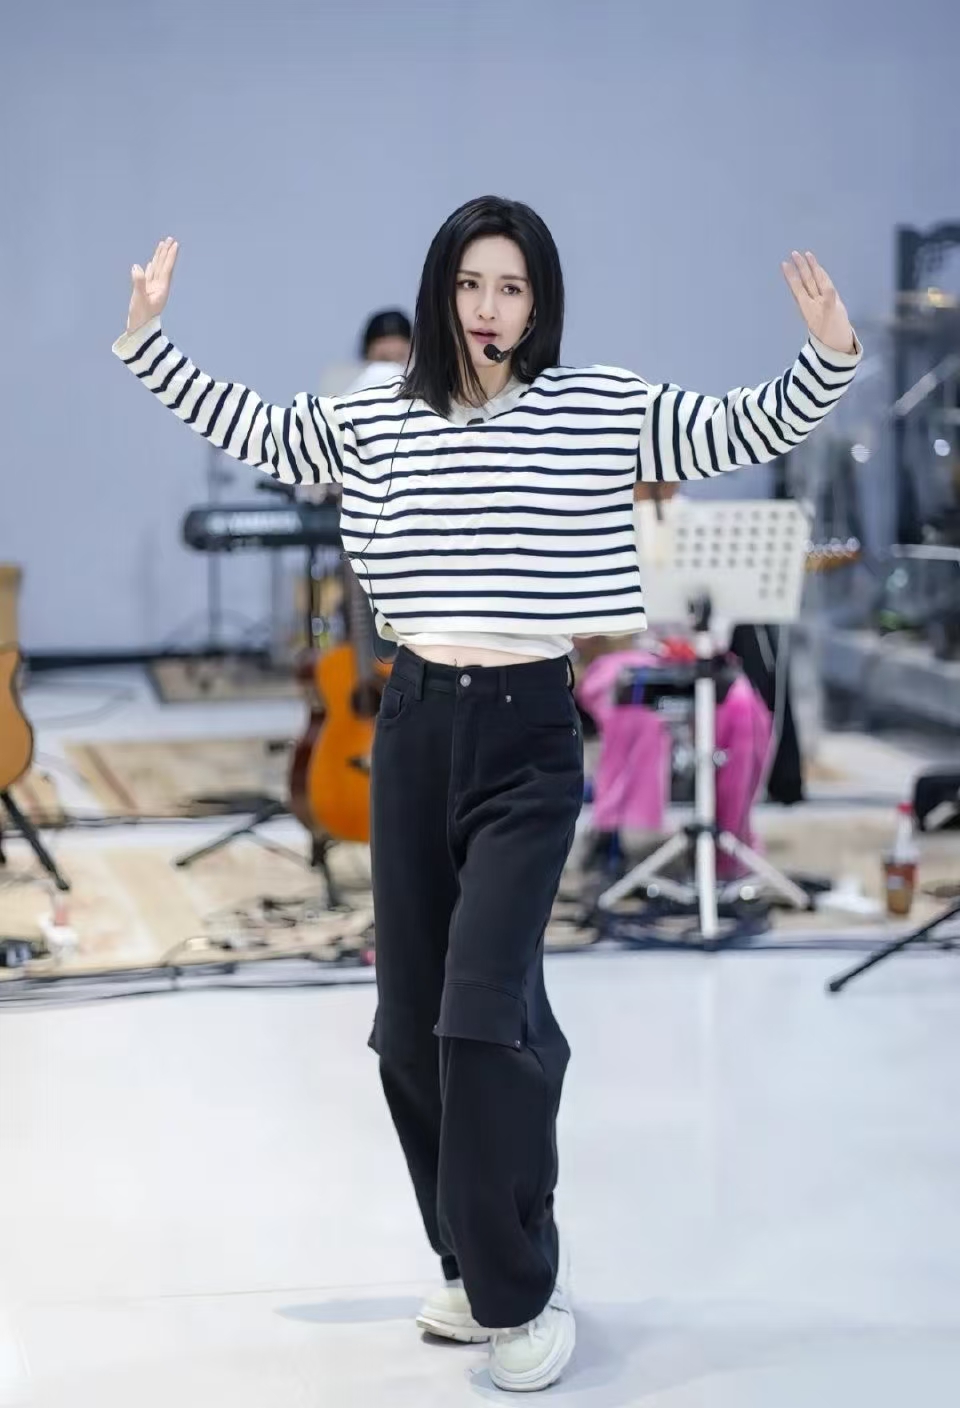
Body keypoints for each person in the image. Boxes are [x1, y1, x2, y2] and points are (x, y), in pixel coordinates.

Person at [113, 198, 861, 1392]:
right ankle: (467, 1258)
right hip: (414, 727)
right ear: (442, 290)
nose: (489, 308)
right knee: (410, 1025)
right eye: (472, 283)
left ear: (539, 300)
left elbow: (730, 427)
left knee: (481, 1014)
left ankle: (519, 1291)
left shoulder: (595, 404)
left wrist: (826, 357)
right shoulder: (377, 410)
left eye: (512, 286)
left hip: (526, 733)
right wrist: (150, 340)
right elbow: (257, 427)